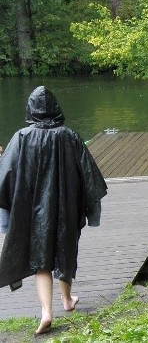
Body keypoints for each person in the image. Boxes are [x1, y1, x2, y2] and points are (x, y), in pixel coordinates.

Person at [0, 86, 108, 335]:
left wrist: (9, 207)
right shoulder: (69, 136)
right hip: (65, 208)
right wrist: (90, 206)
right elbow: (89, 174)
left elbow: (5, 176)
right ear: (56, 109)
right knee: (65, 252)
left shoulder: (21, 137)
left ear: (31, 110)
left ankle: (47, 312)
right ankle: (67, 300)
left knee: (41, 262)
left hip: (34, 212)